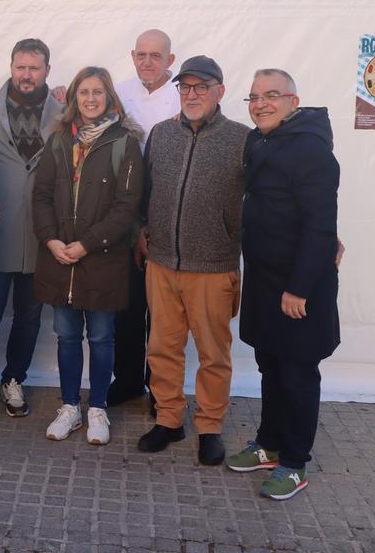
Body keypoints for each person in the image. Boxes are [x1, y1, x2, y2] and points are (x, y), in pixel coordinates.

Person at [226, 69, 340, 500]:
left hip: (297, 287)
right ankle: (269, 445)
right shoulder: (259, 141)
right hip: (264, 279)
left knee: (297, 374)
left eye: (271, 95)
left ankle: (294, 463)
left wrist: (300, 288)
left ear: (294, 100)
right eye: (254, 97)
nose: (261, 104)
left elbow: (319, 225)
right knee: (270, 366)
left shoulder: (311, 150)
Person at [137, 55, 247, 465]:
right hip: (162, 262)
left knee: (213, 353)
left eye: (202, 87)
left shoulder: (242, 139)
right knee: (161, 348)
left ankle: (210, 426)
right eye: (186, 87)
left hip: (213, 266)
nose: (193, 94)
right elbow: (146, 191)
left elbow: (268, 197)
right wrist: (143, 229)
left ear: (220, 91)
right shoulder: (161, 134)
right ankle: (168, 419)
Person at [32, 67, 143, 445]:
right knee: (66, 336)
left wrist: (88, 243)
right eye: (84, 92)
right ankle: (69, 407)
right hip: (60, 258)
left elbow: (127, 206)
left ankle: (97, 407)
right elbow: (41, 195)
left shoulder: (124, 141)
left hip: (102, 260)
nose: (91, 99)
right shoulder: (59, 139)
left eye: (98, 92)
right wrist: (50, 240)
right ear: (73, 98)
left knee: (100, 337)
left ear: (109, 96)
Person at [0, 39, 60, 421]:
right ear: (10, 66)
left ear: (47, 70)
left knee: (29, 316)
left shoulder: (64, 111)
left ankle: (14, 378)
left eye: (34, 68)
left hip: (41, 234)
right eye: (21, 67)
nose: (26, 75)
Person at [111, 29, 179, 407]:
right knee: (128, 305)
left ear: (170, 60)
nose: (148, 62)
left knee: (164, 312)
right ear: (132, 56)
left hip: (168, 211)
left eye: (156, 56)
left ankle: (160, 388)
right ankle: (127, 380)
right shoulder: (119, 92)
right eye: (142, 55)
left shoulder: (184, 96)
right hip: (125, 211)